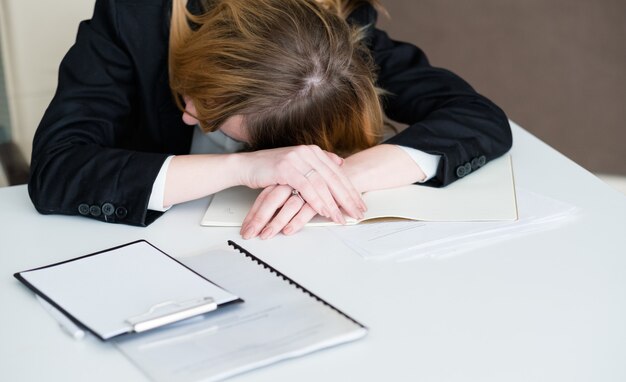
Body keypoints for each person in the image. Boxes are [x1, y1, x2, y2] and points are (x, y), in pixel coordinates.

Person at [29, 0, 512, 239]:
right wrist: (245, 167)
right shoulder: (132, 17)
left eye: (217, 118)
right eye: (198, 100)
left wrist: (344, 178)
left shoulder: (339, 29)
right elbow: (57, 169)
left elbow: (477, 116)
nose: (188, 113)